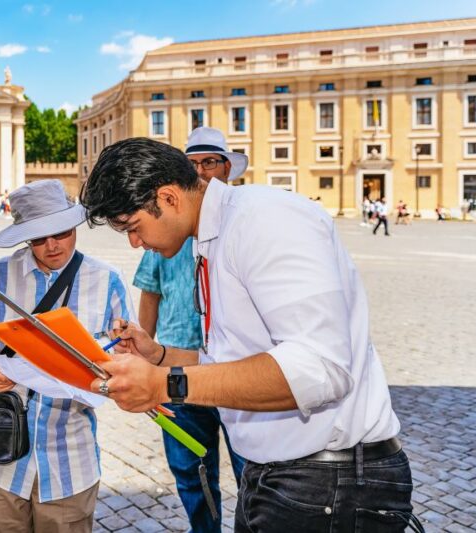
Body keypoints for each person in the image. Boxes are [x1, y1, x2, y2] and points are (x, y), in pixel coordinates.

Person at [79, 138, 419, 532]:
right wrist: (159, 355)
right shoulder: (212, 236)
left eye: (133, 228)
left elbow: (319, 369)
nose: (135, 243)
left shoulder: (265, 220)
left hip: (328, 485)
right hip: (285, 479)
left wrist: (163, 384)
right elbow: (236, 364)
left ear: (169, 197)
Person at [0, 179, 134, 533]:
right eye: (39, 238)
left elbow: (126, 364)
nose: (53, 245)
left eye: (62, 232)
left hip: (70, 461)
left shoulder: (107, 280)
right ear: (24, 236)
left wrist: (119, 363)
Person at [134, 127, 246, 532]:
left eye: (208, 163)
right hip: (176, 368)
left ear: (227, 168)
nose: (199, 171)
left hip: (237, 370)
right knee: (190, 474)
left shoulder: (240, 226)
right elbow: (150, 292)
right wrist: (144, 357)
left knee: (252, 470)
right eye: (191, 165)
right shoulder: (165, 230)